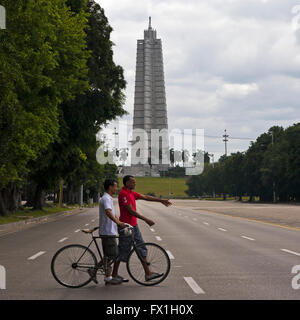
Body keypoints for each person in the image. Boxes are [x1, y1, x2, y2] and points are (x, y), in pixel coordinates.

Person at [111, 175, 172, 282]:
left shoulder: (131, 193)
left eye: (135, 182)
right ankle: (114, 275)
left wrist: (161, 200)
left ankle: (148, 274)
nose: (135, 184)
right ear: (127, 183)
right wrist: (146, 219)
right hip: (126, 227)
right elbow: (131, 211)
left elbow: (146, 197)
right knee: (122, 251)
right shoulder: (123, 194)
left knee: (142, 248)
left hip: (134, 226)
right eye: (133, 182)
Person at [88, 179, 127, 285]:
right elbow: (108, 212)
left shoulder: (107, 198)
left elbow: (112, 214)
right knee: (114, 255)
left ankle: (101, 273)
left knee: (108, 255)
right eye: (115, 186)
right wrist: (118, 222)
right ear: (110, 187)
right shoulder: (106, 198)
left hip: (109, 230)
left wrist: (119, 221)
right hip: (107, 232)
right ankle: (105, 275)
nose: (116, 188)